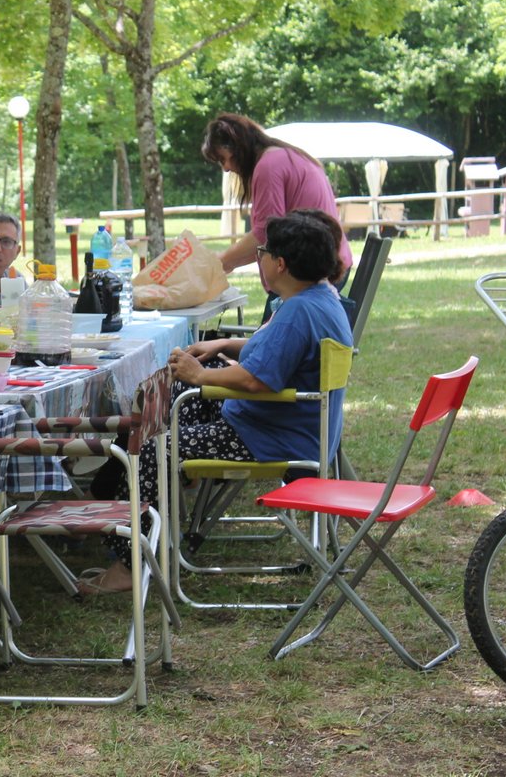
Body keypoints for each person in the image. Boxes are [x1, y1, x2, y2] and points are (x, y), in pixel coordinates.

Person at [79, 211, 353, 594]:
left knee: (156, 449)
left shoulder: (297, 312)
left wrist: (200, 374)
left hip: (272, 436)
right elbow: (277, 353)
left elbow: (255, 379)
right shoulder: (318, 299)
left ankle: (132, 561)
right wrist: (224, 344)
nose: (259, 257)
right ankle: (125, 512)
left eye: (263, 251)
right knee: (164, 407)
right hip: (281, 424)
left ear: (280, 263)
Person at [202, 113, 354, 321]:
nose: (226, 168)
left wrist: (219, 261)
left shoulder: (268, 165)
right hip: (325, 265)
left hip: (310, 272)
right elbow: (267, 240)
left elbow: (264, 235)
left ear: (238, 146)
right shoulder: (284, 156)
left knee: (263, 345)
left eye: (222, 159)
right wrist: (228, 263)